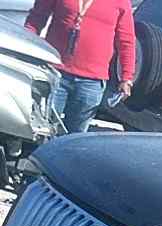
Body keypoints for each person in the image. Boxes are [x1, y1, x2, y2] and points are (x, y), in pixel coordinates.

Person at [25, 0, 136, 134]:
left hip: (92, 82)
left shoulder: (121, 2)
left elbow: (126, 41)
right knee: (43, 130)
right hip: (55, 72)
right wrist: (25, 51)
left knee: (76, 137)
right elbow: (36, 19)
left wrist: (126, 78)